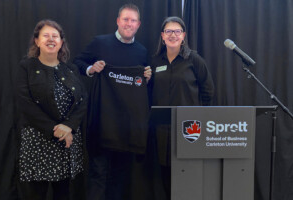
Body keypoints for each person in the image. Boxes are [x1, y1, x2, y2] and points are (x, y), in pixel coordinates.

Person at [73, 3, 152, 200]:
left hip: (127, 128)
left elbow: (141, 87)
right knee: (98, 174)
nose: (129, 23)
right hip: (101, 122)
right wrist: (92, 68)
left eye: (133, 20)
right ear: (118, 21)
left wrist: (148, 78)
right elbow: (77, 62)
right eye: (125, 19)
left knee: (120, 177)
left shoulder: (142, 52)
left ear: (139, 24)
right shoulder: (100, 43)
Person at [15, 19, 87, 200]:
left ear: (61, 42)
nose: (51, 39)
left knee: (63, 193)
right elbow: (25, 104)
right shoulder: (27, 67)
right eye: (45, 35)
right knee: (35, 194)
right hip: (38, 142)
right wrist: (56, 130)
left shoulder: (70, 69)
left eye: (55, 36)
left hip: (67, 142)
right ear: (37, 41)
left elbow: (83, 100)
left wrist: (69, 126)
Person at [149, 16, 215, 198]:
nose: (173, 35)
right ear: (162, 36)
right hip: (162, 130)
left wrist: (198, 115)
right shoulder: (155, 62)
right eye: (168, 31)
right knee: (165, 175)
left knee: (188, 173)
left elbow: (208, 91)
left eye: (177, 31)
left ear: (183, 35)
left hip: (189, 128)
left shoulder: (194, 60)